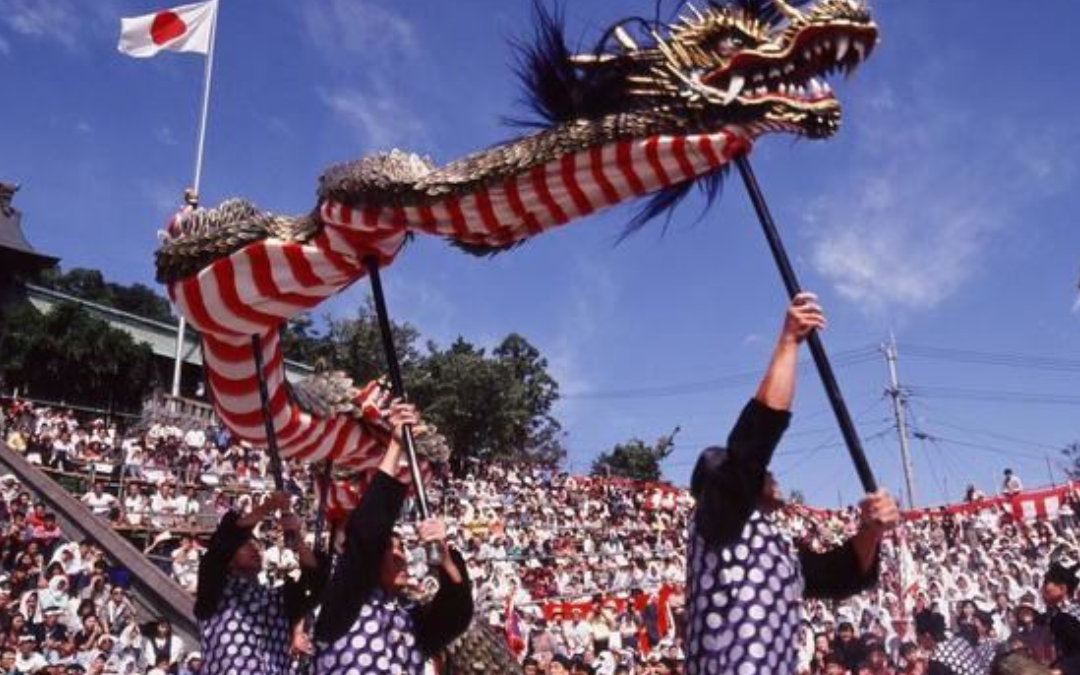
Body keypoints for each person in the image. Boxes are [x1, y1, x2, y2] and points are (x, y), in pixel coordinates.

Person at [684, 293, 900, 675]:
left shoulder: (771, 546)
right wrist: (788, 343)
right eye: (755, 472)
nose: (769, 472)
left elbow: (841, 574)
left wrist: (872, 529)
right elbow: (752, 445)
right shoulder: (715, 524)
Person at [313, 402, 473, 675]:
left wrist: (445, 558)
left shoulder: (412, 619)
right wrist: (397, 445)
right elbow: (367, 533)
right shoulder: (342, 603)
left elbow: (457, 614)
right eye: (391, 549)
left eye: (402, 548)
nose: (402, 557)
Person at [195, 491, 326, 675]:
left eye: (256, 544)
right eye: (246, 544)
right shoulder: (215, 589)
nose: (255, 549)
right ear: (229, 557)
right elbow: (226, 536)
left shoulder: (276, 595)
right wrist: (269, 506)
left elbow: (317, 577)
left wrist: (296, 538)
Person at [914, 610, 985, 675]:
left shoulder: (937, 661)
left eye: (918, 635)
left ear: (927, 636)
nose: (918, 639)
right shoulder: (960, 641)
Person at [1041, 562, 1080, 675]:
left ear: (1062, 588)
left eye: (1047, 584)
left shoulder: (1069, 617)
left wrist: (1064, 669)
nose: (1043, 589)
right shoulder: (1051, 616)